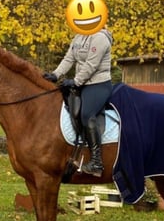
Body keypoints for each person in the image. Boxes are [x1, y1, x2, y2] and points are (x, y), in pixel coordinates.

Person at [43, 24, 113, 177]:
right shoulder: (78, 37)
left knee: (87, 114)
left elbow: (91, 65)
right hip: (82, 83)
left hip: (98, 84)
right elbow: (69, 58)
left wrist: (75, 81)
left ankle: (96, 162)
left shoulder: (100, 38)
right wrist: (56, 74)